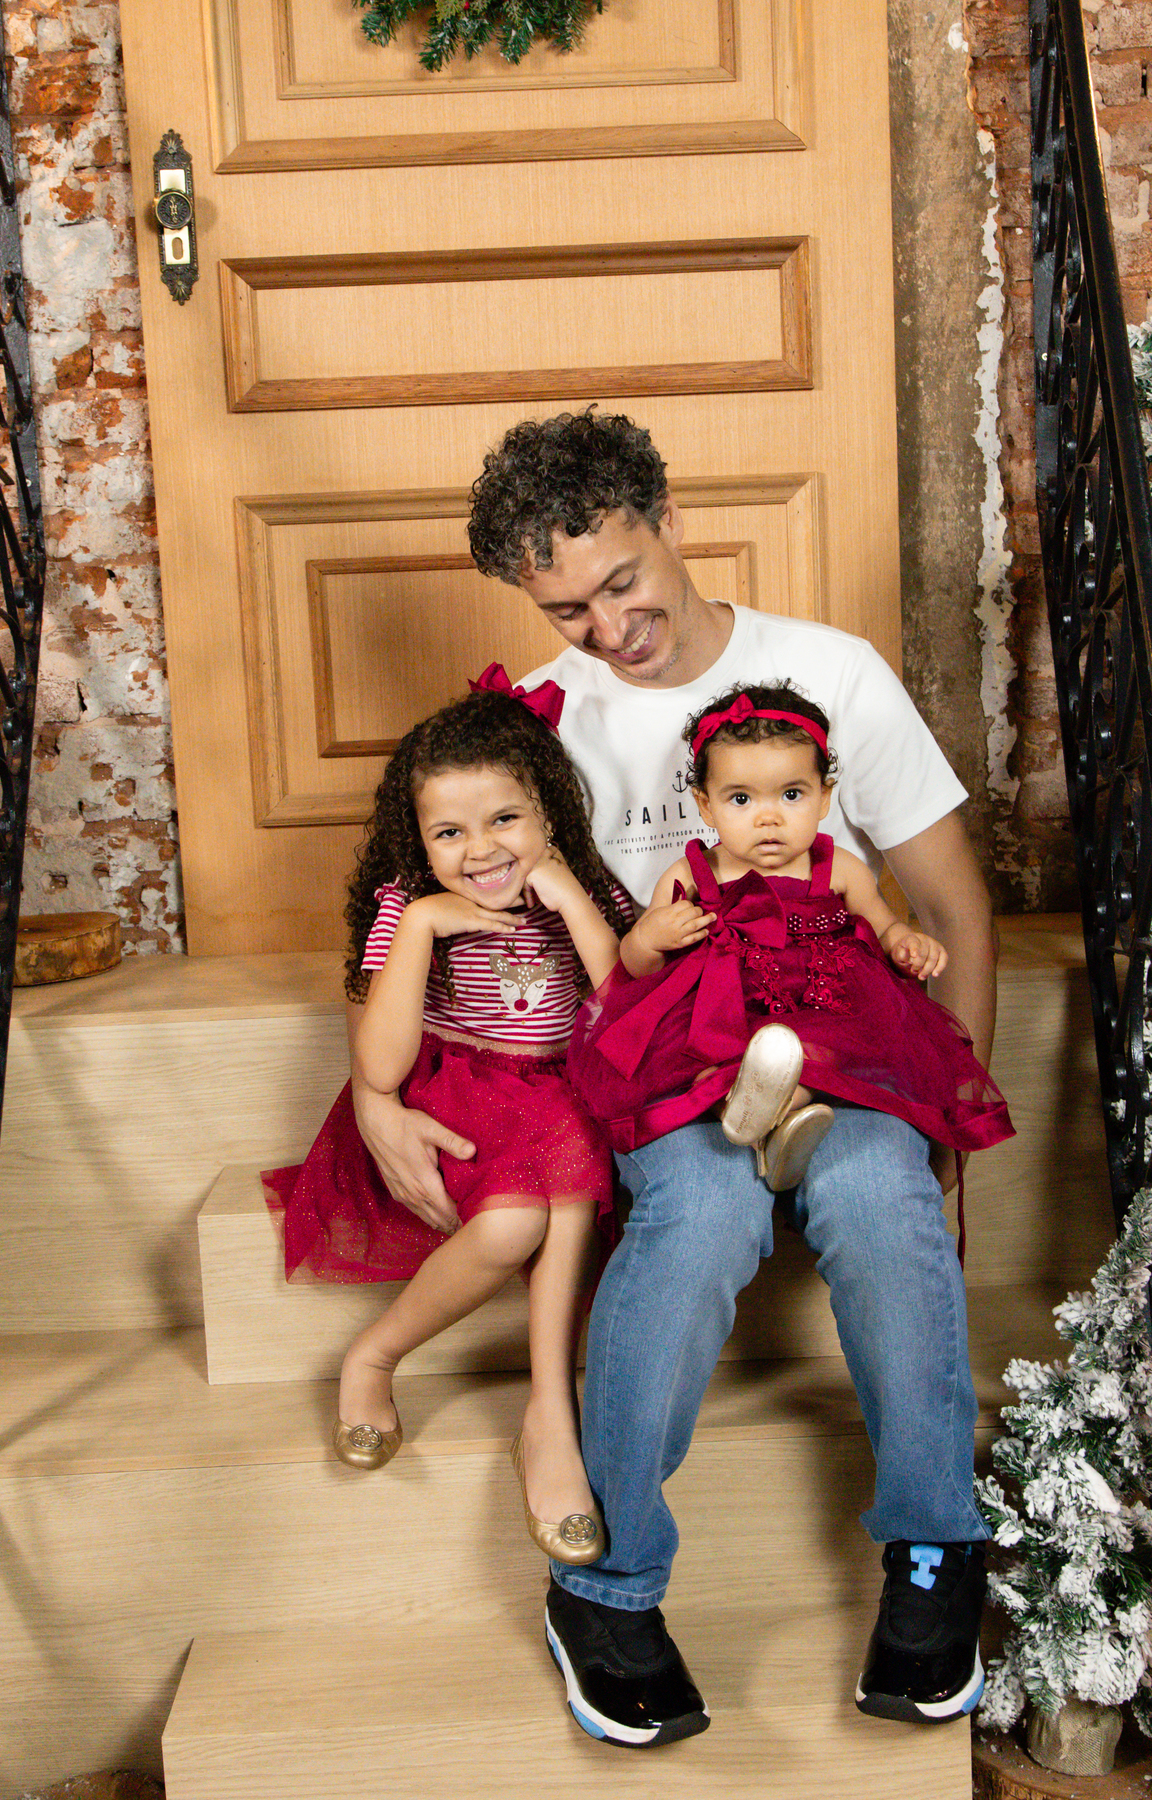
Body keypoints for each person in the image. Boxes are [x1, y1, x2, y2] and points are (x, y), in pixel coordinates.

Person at [351, 409, 1000, 1745]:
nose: (609, 628)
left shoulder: (832, 672)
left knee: (882, 1198)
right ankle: (607, 1584)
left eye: (623, 581)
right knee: (700, 1212)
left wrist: (951, 1131)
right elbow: (424, 892)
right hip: (666, 1061)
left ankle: (935, 1549)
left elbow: (949, 906)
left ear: (671, 522)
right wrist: (375, 1094)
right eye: (567, 610)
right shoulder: (542, 724)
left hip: (845, 1045)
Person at [264, 673, 631, 1565]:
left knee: (569, 1177)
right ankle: (379, 1356)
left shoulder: (583, 887)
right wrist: (426, 926)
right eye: (449, 832)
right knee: (514, 1224)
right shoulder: (408, 905)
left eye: (505, 819)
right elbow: (381, 1067)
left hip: (561, 1090)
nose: (481, 850)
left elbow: (626, 1017)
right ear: (418, 838)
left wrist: (573, 899)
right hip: (461, 1092)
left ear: (549, 814)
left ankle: (549, 1410)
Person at [567, 680, 1013, 1204]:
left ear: (824, 796)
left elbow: (883, 924)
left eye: (792, 794)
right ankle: (754, 1115)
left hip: (824, 1004)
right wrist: (649, 936)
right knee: (706, 1072)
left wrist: (905, 944)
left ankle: (779, 1117)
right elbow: (637, 967)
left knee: (822, 1060)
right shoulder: (691, 875)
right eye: (741, 799)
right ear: (705, 805)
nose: (769, 817)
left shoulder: (837, 867)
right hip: (724, 1011)